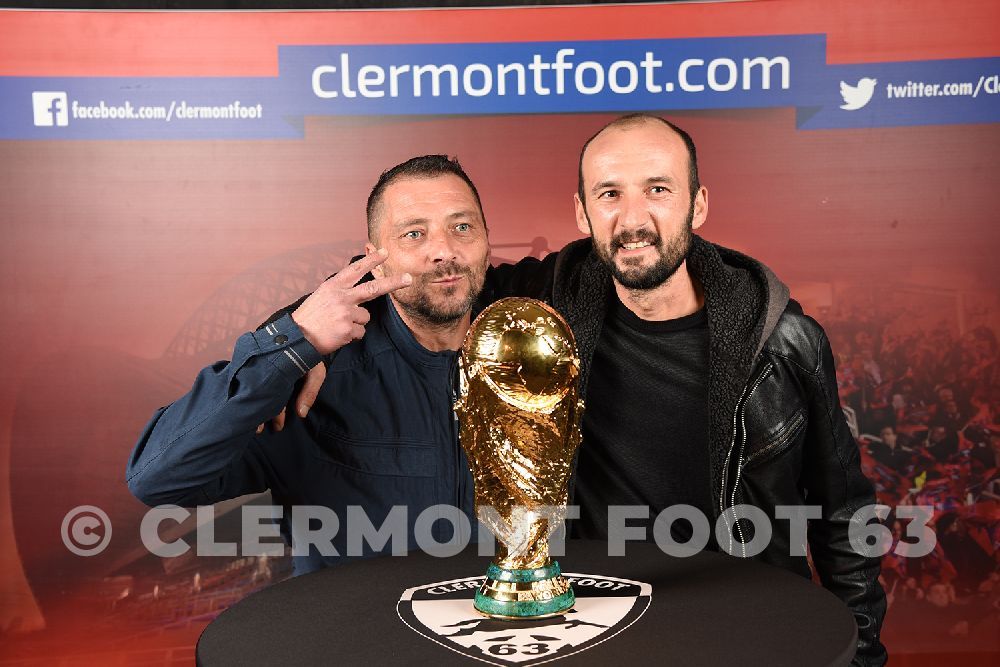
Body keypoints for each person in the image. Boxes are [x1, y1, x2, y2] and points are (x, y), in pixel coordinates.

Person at [275, 114, 887, 663]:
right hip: (598, 628)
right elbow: (425, 273)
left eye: (658, 189)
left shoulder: (782, 340)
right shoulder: (551, 297)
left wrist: (860, 657)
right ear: (582, 212)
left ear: (698, 205)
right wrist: (295, 344)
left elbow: (843, 514)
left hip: (742, 629)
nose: (634, 218)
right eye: (610, 194)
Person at [126, 155, 491, 576]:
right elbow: (156, 479)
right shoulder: (313, 377)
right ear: (374, 256)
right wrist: (290, 348)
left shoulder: (538, 360)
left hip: (503, 636)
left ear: (486, 238)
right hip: (355, 638)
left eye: (462, 227)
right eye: (414, 233)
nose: (444, 251)